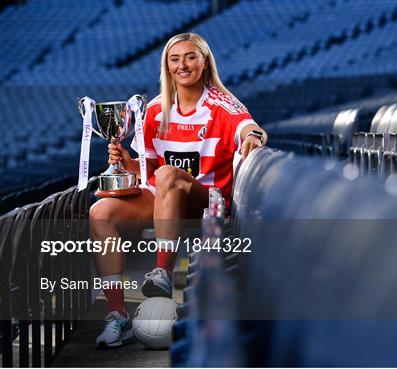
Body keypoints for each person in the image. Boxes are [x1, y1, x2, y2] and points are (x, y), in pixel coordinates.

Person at [89, 32, 267, 348]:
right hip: (165, 197)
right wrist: (125, 162)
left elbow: (248, 127)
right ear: (167, 66)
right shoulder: (156, 110)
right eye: (175, 59)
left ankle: (161, 272)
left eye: (190, 57)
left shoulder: (222, 104)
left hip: (207, 201)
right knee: (101, 212)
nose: (182, 65)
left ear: (205, 61)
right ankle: (117, 315)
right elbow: (145, 172)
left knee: (171, 174)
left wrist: (254, 137)